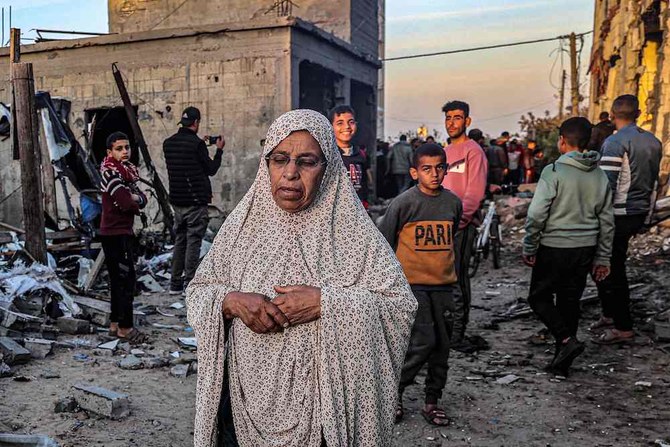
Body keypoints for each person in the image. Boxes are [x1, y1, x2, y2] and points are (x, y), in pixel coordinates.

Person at [186, 109, 417, 447]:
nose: (291, 173)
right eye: (280, 159)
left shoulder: (353, 232)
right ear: (267, 165)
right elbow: (199, 292)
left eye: (307, 162)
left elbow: (399, 306)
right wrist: (230, 301)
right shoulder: (241, 228)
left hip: (326, 417)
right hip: (242, 410)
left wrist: (326, 303)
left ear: (329, 169)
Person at [522, 117, 614, 375]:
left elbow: (537, 214)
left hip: (554, 247)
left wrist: (530, 246)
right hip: (585, 248)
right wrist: (603, 258)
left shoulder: (554, 172)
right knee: (569, 300)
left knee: (538, 297)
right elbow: (607, 220)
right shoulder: (599, 175)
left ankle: (565, 340)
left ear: (562, 141)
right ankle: (562, 362)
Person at [379, 143, 462, 427]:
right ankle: (394, 393)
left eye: (440, 167)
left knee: (442, 347)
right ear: (415, 172)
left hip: (444, 287)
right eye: (427, 169)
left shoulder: (452, 203)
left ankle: (432, 401)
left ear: (446, 169)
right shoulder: (404, 203)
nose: (434, 174)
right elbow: (385, 243)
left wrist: (458, 284)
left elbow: (454, 245)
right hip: (412, 287)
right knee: (422, 342)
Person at [593, 95, 663, 344]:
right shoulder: (653, 142)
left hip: (617, 214)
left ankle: (622, 326)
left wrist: (596, 217)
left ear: (612, 114)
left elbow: (606, 185)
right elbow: (656, 183)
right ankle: (610, 315)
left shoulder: (613, 143)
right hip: (639, 212)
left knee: (611, 269)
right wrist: (647, 217)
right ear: (639, 112)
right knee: (611, 265)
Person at [163, 106, 225, 295]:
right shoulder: (196, 145)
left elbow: (186, 160)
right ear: (196, 123)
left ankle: (174, 284)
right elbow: (211, 169)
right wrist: (219, 150)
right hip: (195, 202)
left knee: (180, 241)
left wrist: (201, 144)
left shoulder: (168, 143)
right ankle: (189, 284)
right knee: (193, 242)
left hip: (177, 201)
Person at [440, 100, 488, 348]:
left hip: (461, 226)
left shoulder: (473, 151)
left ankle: (458, 334)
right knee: (443, 279)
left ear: (467, 122)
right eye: (448, 118)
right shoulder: (444, 153)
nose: (452, 123)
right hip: (441, 226)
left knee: (458, 279)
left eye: (457, 118)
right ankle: (447, 329)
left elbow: (474, 193)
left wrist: (460, 222)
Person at [99, 132, 149, 343]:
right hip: (115, 234)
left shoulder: (126, 173)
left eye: (127, 147)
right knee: (125, 281)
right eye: (119, 149)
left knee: (118, 280)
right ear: (110, 152)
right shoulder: (110, 173)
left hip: (120, 232)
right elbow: (127, 202)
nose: (125, 152)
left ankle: (114, 324)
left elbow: (141, 198)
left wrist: (135, 197)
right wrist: (135, 198)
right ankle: (125, 328)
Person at [329, 105, 373, 208]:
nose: (347, 127)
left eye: (351, 122)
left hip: (358, 208)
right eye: (340, 123)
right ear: (331, 126)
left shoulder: (361, 154)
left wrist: (366, 203)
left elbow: (366, 181)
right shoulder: (328, 154)